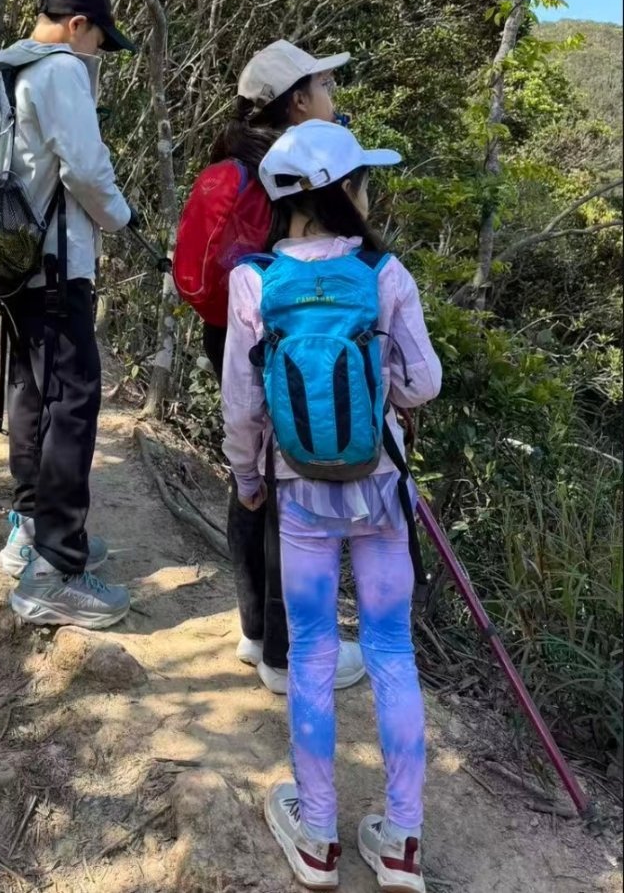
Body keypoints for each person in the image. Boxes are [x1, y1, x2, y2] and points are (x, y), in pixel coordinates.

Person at [222, 119, 441, 892]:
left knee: (313, 651)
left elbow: (243, 404)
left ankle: (317, 837)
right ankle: (402, 842)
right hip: (379, 485)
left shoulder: (254, 281)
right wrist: (382, 390)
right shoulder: (383, 273)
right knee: (390, 649)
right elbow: (423, 382)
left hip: (299, 494)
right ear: (344, 190)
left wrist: (247, 479)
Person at [186, 40, 366, 694]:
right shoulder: (291, 168)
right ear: (297, 102)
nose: (332, 97)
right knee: (290, 479)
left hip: (229, 327)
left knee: (254, 475)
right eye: (324, 86)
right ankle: (290, 657)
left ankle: (258, 632)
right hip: (288, 337)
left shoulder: (234, 157)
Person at [0, 0, 136, 630]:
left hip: (10, 258)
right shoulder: (61, 70)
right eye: (100, 39)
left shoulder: (3, 66)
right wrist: (121, 218)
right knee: (73, 400)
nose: (98, 52)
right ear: (78, 25)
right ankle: (56, 569)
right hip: (55, 262)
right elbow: (85, 167)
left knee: (33, 390)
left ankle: (31, 532)